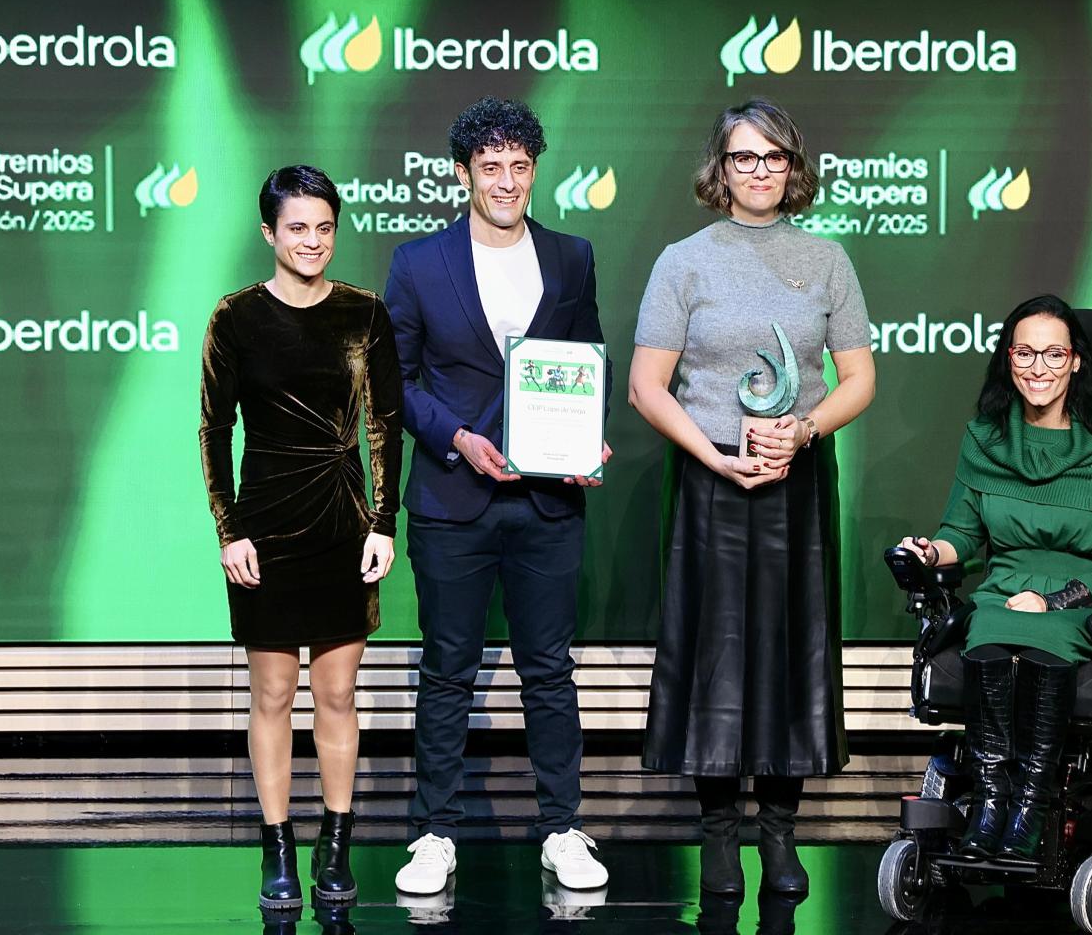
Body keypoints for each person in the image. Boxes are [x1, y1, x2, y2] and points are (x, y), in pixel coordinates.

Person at [630, 97, 876, 897]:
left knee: (790, 652)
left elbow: (860, 377)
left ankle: (779, 836)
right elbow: (646, 386)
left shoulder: (827, 258)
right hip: (710, 481)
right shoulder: (684, 260)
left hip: (796, 479)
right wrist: (716, 456)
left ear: (793, 168)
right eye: (744, 157)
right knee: (714, 657)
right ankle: (718, 838)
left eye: (773, 157)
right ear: (720, 169)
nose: (759, 171)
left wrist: (801, 432)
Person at [385, 96, 610, 895]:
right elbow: (397, 383)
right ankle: (435, 832)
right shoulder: (417, 263)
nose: (506, 180)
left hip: (551, 501)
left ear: (534, 170)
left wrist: (591, 437)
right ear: (463, 173)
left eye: (519, 166)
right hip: (453, 498)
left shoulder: (573, 255)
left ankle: (562, 828)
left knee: (549, 669)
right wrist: (458, 439)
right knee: (447, 669)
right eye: (491, 167)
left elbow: (587, 360)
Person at [199, 165, 403, 909]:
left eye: (323, 227)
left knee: (339, 693)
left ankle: (337, 844)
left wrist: (384, 522)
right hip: (264, 523)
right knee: (274, 694)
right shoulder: (235, 318)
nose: (312, 241)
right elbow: (215, 430)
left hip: (344, 521)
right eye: (297, 228)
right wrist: (231, 529)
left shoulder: (364, 313)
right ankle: (278, 846)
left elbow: (384, 425)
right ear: (269, 233)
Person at [896, 295, 1092, 860]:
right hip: (1004, 591)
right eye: (1026, 353)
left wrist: (1055, 599)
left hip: (1086, 602)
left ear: (1077, 361)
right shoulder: (985, 440)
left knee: (1036, 635)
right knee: (987, 631)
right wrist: (929, 551)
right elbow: (961, 535)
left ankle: (1030, 808)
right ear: (1008, 359)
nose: (1039, 368)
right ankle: (991, 805)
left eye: (1054, 354)